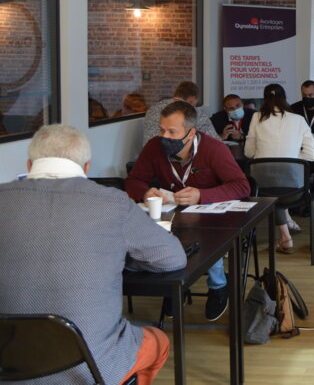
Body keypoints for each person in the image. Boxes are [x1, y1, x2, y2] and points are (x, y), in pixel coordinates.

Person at [0, 125, 186, 385]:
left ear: (29, 164)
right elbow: (173, 258)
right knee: (158, 341)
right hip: (90, 368)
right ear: (87, 167)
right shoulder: (113, 202)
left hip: (8, 365)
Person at [126, 100, 250, 321]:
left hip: (211, 215)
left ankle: (218, 286)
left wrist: (202, 195)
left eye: (172, 132)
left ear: (191, 133)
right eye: (162, 130)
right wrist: (146, 192)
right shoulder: (155, 146)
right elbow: (134, 180)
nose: (165, 137)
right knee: (158, 234)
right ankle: (176, 286)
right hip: (172, 213)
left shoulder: (214, 149)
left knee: (207, 237)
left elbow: (242, 186)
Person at [244, 83, 314, 253]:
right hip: (295, 189)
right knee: (280, 190)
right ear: (285, 99)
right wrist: (292, 158)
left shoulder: (257, 117)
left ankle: (286, 236)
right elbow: (313, 156)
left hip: (262, 188)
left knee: (273, 193)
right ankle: (286, 236)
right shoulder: (298, 119)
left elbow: (248, 152)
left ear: (264, 99)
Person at [142, 81, 217, 144]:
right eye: (196, 103)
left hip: (150, 156)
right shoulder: (195, 112)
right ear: (192, 99)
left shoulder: (152, 109)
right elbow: (215, 142)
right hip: (178, 159)